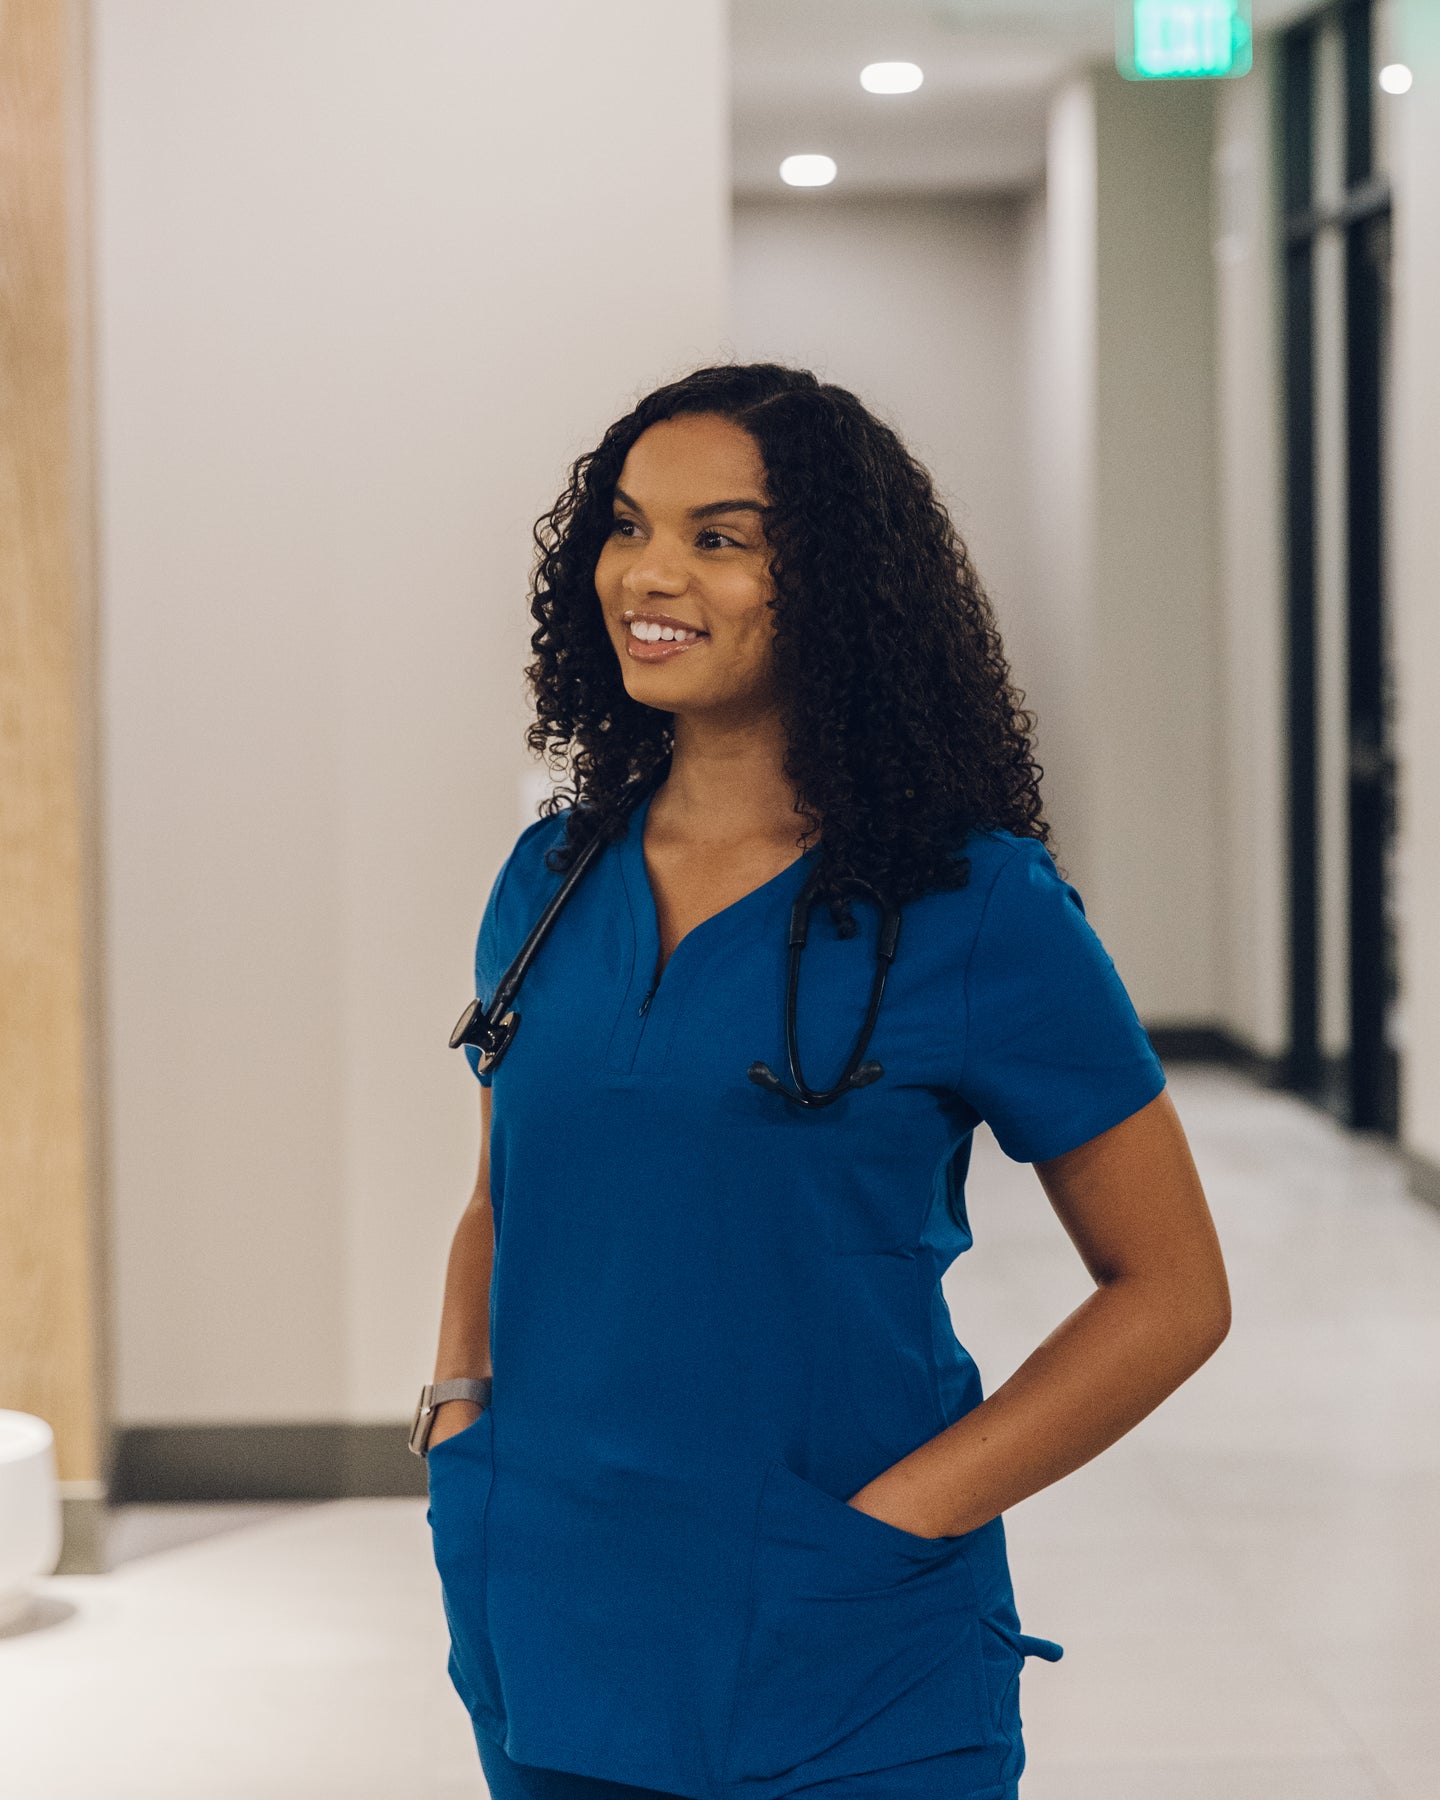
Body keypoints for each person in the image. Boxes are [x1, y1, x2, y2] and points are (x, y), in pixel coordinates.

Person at [420, 363, 1231, 1800]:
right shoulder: (548, 884)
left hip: (848, 1638)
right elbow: (505, 1199)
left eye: (719, 537)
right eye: (626, 524)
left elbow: (1170, 1291)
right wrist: (460, 1420)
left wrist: (908, 1519)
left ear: (842, 586)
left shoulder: (974, 905)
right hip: (551, 1607)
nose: (650, 571)